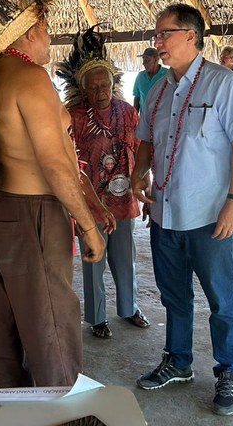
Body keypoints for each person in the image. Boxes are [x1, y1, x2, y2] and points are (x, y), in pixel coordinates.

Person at [0, 0, 106, 387]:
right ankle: (62, 411)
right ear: (27, 34)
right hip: (35, 212)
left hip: (3, 208)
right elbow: (57, 165)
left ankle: (13, 405)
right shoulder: (31, 79)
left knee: (11, 322)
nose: (50, 40)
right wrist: (88, 226)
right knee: (51, 324)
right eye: (46, 31)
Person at [131, 3, 233, 416]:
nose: (158, 43)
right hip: (164, 215)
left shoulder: (223, 84)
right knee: (174, 297)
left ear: (191, 35)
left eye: (164, 34)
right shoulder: (156, 90)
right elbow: (147, 142)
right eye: (155, 36)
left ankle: (229, 372)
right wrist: (138, 174)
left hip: (209, 216)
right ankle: (179, 361)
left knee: (221, 299)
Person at [58, 26, 149, 340]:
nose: (100, 92)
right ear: (83, 89)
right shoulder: (74, 116)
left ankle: (129, 308)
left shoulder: (127, 112)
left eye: (105, 84)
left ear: (114, 83)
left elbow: (140, 150)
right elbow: (67, 163)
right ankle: (97, 317)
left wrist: (143, 182)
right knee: (93, 258)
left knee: (125, 257)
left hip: (123, 200)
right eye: (93, 87)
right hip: (90, 203)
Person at [133, 47, 168, 114]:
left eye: (147, 60)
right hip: (145, 119)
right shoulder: (140, 76)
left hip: (163, 118)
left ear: (156, 60)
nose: (144, 63)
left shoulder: (167, 75)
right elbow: (137, 97)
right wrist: (134, 117)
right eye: (143, 60)